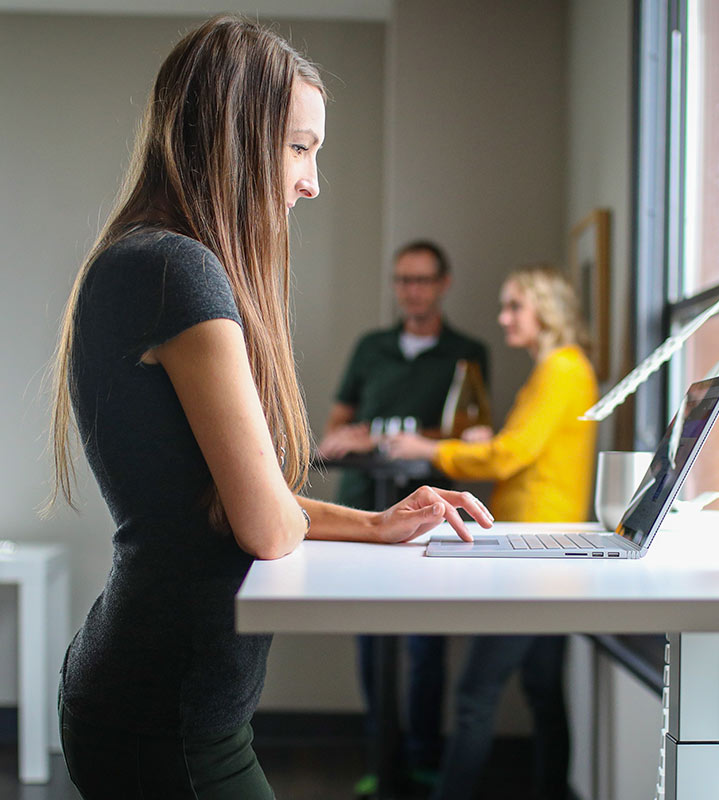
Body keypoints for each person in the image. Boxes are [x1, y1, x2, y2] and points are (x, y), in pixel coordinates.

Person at [46, 16, 492, 800]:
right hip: (166, 719)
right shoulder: (174, 272)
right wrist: (290, 513)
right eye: (299, 146)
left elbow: (230, 503)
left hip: (163, 701)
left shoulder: (154, 259)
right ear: (231, 136)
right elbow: (263, 520)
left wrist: (380, 523)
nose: (312, 180)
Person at [387, 265, 598, 800]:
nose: (503, 317)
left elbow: (510, 455)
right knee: (543, 689)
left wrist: (429, 449)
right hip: (549, 546)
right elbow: (527, 446)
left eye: (514, 307)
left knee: (476, 692)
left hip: (536, 551)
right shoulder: (558, 369)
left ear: (544, 311)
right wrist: (490, 437)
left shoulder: (562, 370)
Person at [317, 240, 488, 795]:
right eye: (403, 281)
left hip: (432, 516)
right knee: (372, 642)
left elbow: (473, 434)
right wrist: (349, 436)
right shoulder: (371, 348)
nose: (411, 291)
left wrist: (396, 436)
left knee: (424, 642)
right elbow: (337, 429)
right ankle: (380, 759)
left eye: (421, 280)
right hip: (365, 509)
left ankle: (423, 760)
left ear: (442, 283)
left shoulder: (468, 352)